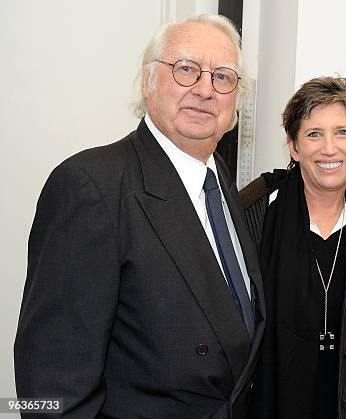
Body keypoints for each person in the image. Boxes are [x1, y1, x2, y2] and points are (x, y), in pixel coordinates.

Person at [14, 13, 264, 418]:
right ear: (148, 82)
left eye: (223, 77)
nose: (205, 89)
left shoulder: (224, 188)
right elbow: (50, 383)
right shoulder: (90, 186)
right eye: (186, 70)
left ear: (237, 99)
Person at [240, 76, 346, 418]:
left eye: (342, 132)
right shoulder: (258, 213)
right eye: (313, 134)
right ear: (293, 146)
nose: (328, 148)